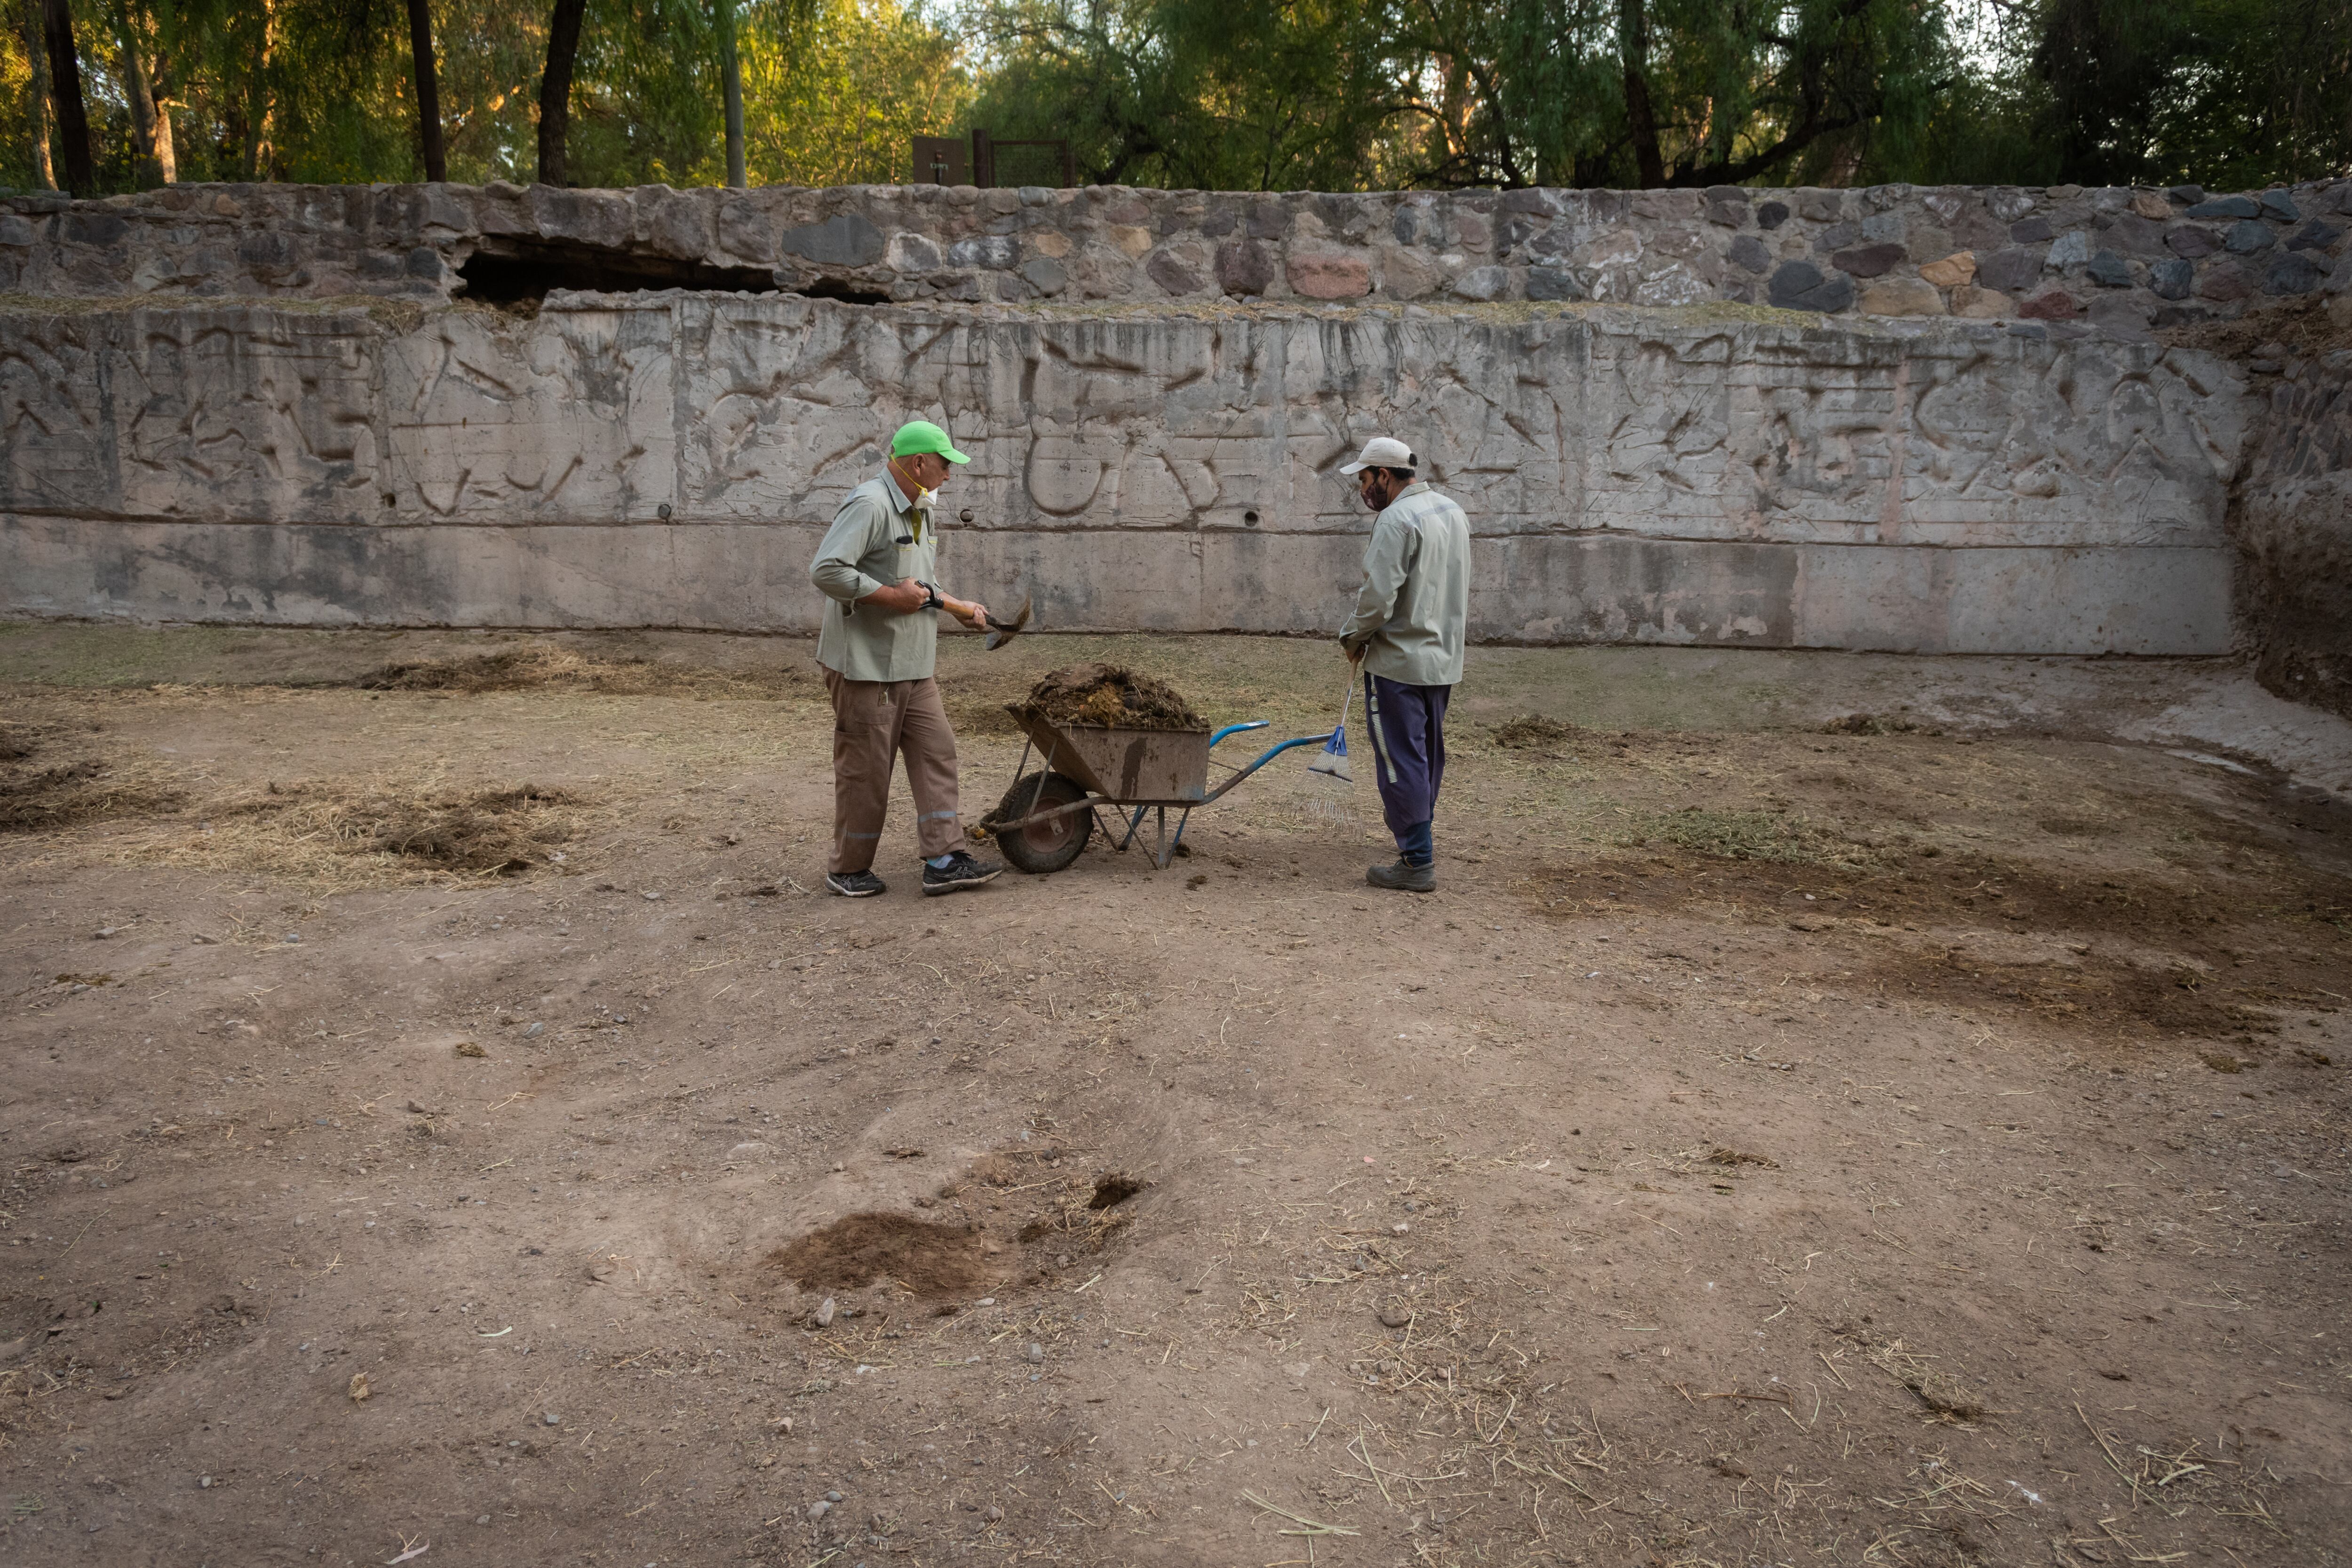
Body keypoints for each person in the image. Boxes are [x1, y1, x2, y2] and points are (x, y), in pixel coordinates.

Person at [808, 420, 1004, 898]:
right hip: (867, 667)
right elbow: (827, 571)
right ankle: (848, 869)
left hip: (914, 666)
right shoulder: (870, 504)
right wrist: (887, 598)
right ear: (918, 463)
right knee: (867, 773)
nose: (948, 476)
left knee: (936, 753)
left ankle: (943, 859)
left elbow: (919, 584)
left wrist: (960, 609)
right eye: (943, 465)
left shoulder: (920, 510)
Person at [1335, 436, 1470, 893]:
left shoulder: (1395, 520)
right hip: (1442, 660)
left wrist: (1353, 636)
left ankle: (1416, 861)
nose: (1361, 490)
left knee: (1399, 758)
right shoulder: (1451, 512)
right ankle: (1418, 839)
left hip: (1398, 663)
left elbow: (1376, 598)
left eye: (1364, 479)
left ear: (1384, 477)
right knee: (1427, 754)